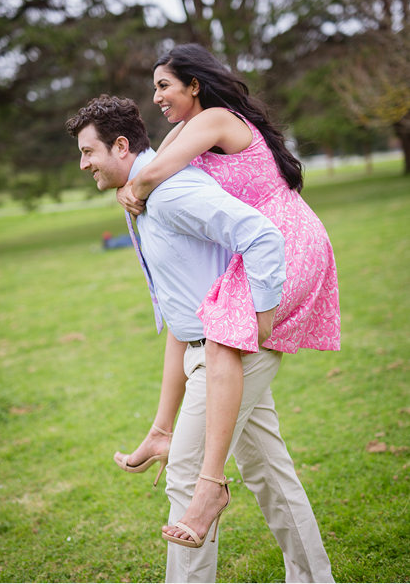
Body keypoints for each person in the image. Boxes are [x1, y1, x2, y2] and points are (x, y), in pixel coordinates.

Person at [68, 95, 333, 582]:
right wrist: (160, 425)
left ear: (121, 146)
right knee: (269, 474)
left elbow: (261, 236)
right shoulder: (143, 194)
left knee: (188, 483)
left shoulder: (169, 193)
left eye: (88, 152)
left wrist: (262, 318)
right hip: (207, 352)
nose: (83, 163)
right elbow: (182, 313)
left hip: (228, 354)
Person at [114, 43, 339, 548]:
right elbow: (161, 163)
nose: (157, 97)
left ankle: (210, 486)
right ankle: (168, 438)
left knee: (222, 334)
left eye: (165, 86)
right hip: (260, 245)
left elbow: (150, 172)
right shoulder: (188, 130)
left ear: (194, 84)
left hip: (282, 240)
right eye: (154, 88)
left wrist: (134, 190)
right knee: (266, 464)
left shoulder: (216, 116)